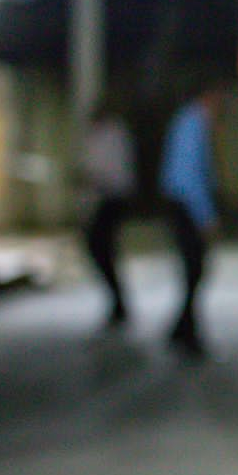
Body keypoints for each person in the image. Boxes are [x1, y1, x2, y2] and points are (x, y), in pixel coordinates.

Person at [158, 81, 222, 357]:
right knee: (194, 269)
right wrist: (205, 216)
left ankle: (181, 328)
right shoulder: (193, 122)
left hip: (181, 202)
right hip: (185, 205)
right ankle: (187, 333)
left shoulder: (187, 120)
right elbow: (190, 175)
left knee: (193, 271)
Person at [80, 98, 137, 324]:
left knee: (101, 247)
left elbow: (110, 172)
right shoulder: (102, 134)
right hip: (105, 198)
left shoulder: (113, 134)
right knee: (101, 249)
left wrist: (89, 178)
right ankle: (117, 301)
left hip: (112, 198)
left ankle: (119, 302)